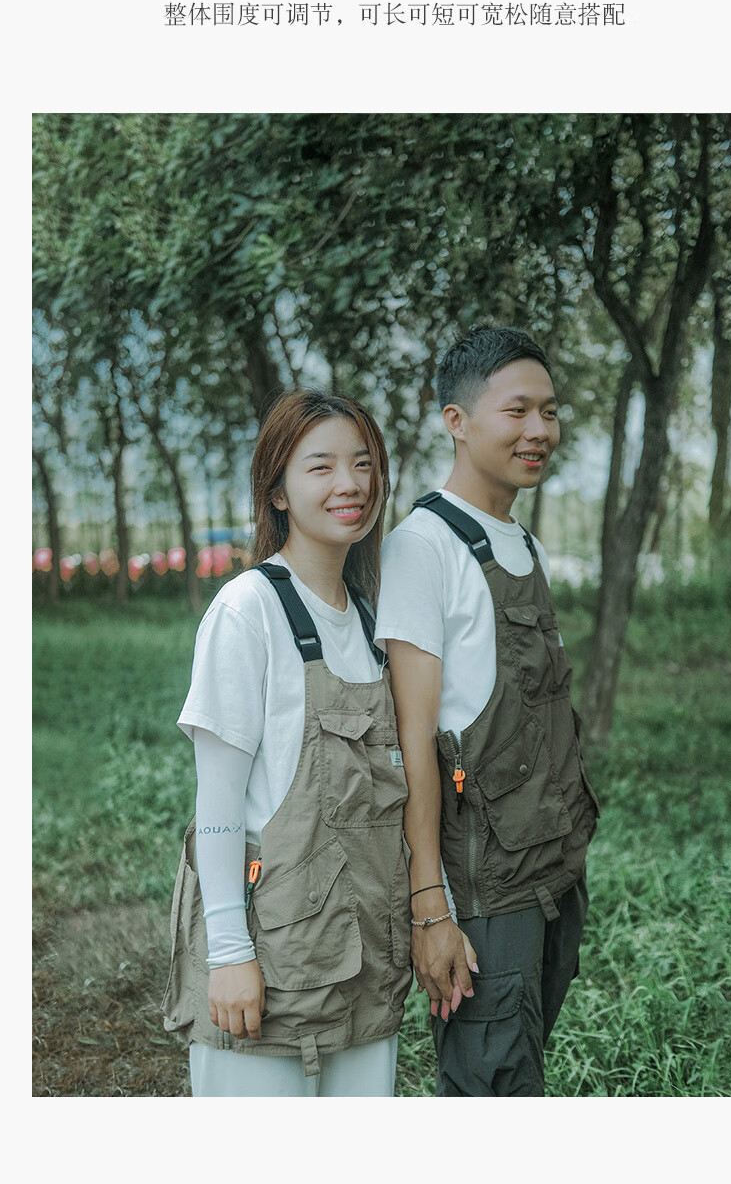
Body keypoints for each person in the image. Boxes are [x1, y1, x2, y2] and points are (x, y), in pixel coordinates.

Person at [161, 390, 412, 1097]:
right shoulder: (248, 609)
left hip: (364, 967)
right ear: (277, 491)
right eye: (321, 466)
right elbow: (217, 804)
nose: (350, 484)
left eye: (362, 464)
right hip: (269, 968)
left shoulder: (370, 620)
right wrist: (229, 954)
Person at [375, 325, 600, 1097]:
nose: (539, 429)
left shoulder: (524, 544)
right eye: (517, 410)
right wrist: (429, 907)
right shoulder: (423, 547)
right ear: (457, 420)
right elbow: (412, 742)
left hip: (550, 874)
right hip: (481, 895)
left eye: (550, 411)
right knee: (490, 1091)